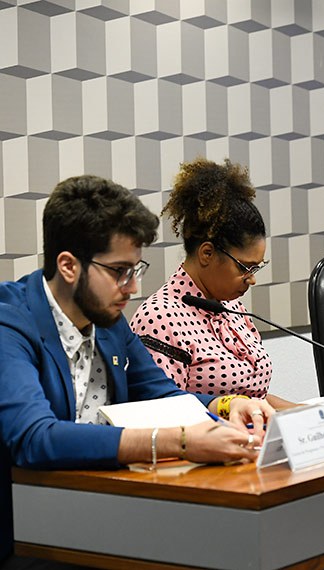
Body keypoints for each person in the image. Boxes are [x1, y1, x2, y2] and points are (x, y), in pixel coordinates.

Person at [0, 175, 274, 562]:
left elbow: (164, 394)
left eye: (135, 269)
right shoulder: (10, 324)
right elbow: (35, 439)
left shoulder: (110, 322)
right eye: (119, 272)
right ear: (68, 266)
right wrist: (179, 441)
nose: (131, 287)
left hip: (108, 514)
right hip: (28, 536)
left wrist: (225, 405)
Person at [130, 158, 289, 408]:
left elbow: (254, 399)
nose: (253, 279)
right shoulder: (159, 318)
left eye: (257, 267)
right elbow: (162, 409)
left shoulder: (232, 307)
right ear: (207, 254)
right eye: (245, 267)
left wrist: (313, 414)